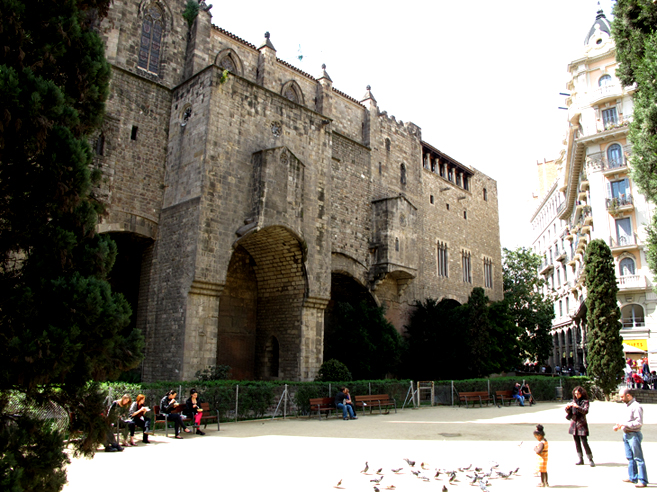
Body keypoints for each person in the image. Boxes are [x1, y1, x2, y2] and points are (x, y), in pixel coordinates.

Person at [614, 388, 648, 488]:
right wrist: (619, 425)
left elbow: (639, 422)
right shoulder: (627, 406)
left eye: (622, 397)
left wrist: (625, 424)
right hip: (626, 433)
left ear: (628, 395)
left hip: (634, 434)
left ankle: (643, 480)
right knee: (630, 457)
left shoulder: (636, 406)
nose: (621, 399)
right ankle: (632, 476)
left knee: (638, 458)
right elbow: (626, 419)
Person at [565, 386, 594, 466]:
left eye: (578, 394)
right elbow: (569, 412)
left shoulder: (585, 401)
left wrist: (577, 407)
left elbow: (585, 411)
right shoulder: (573, 401)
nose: (576, 395)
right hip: (574, 423)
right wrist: (568, 408)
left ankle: (590, 459)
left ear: (582, 393)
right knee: (577, 442)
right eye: (575, 394)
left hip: (581, 423)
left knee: (584, 442)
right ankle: (580, 459)